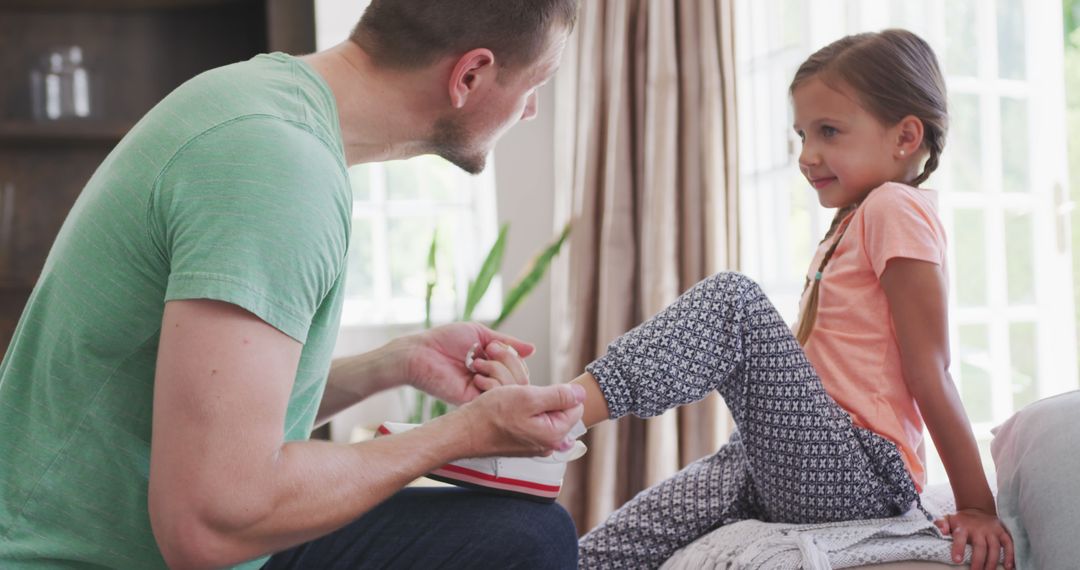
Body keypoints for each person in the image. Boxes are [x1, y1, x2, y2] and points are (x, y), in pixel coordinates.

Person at [0, 1, 583, 569]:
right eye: (535, 83)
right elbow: (207, 525)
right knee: (526, 539)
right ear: (471, 75)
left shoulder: (258, 99)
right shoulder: (278, 170)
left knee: (519, 532)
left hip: (132, 529)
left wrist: (396, 362)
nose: (530, 110)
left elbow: (209, 415)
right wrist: (457, 435)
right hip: (75, 556)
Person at [523, 29, 1012, 570]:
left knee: (733, 303)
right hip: (786, 460)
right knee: (616, 543)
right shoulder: (850, 221)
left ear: (904, 137)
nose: (808, 155)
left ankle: (557, 413)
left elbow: (932, 369)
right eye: (801, 134)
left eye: (828, 131)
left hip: (859, 471)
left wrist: (975, 505)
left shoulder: (896, 207)